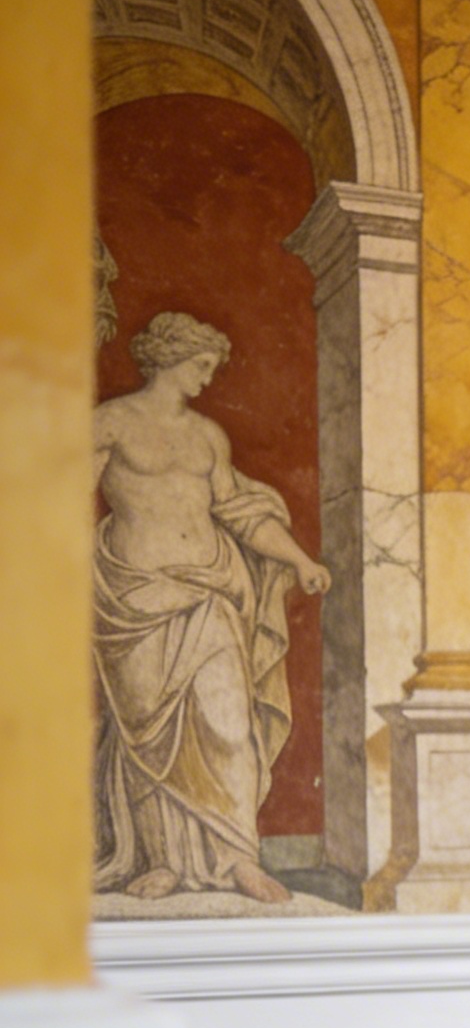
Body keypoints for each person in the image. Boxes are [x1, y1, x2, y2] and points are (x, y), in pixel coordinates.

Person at [92, 311, 330, 904]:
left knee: (228, 723)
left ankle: (239, 858)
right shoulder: (110, 422)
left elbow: (239, 511)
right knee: (146, 732)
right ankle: (162, 860)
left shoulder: (207, 436)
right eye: (201, 366)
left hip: (210, 590)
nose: (207, 379)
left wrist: (300, 559)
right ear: (172, 358)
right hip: (135, 595)